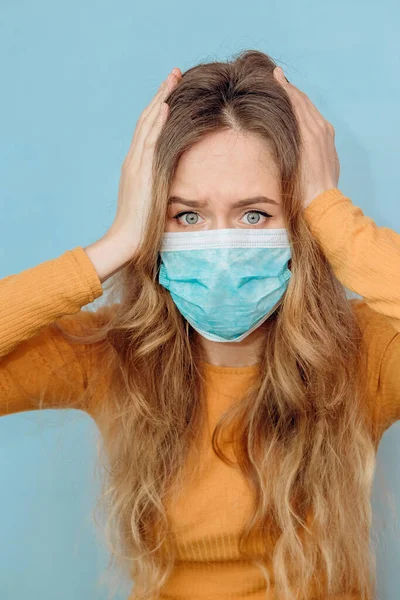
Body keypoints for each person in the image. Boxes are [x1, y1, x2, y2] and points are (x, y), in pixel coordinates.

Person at [1, 49, 399, 600]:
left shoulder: (369, 353)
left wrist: (339, 224)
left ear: (300, 223)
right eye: (187, 215)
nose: (222, 244)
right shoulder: (109, 354)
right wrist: (112, 246)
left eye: (255, 213)